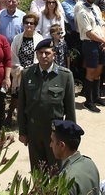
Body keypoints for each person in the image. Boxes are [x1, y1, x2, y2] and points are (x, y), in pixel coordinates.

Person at [16, 39, 76, 168]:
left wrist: (69, 137)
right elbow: (21, 105)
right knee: (37, 170)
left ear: (54, 54)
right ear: (36, 55)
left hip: (55, 133)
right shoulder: (27, 74)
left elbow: (70, 110)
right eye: (40, 53)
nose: (43, 56)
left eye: (47, 53)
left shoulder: (65, 76)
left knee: (56, 170)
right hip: (34, 131)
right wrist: (22, 131)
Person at [75, 0, 105, 113]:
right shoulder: (82, 10)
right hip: (90, 44)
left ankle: (96, 97)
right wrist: (103, 41)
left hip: (100, 43)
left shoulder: (96, 8)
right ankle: (88, 101)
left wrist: (103, 40)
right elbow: (88, 32)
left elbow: (102, 25)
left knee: (99, 71)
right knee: (91, 72)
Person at [51, 120, 100, 195]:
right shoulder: (90, 164)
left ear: (62, 145)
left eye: (52, 141)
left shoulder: (67, 179)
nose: (50, 145)